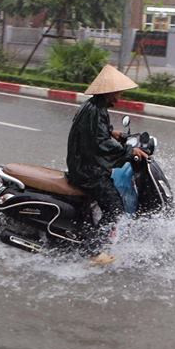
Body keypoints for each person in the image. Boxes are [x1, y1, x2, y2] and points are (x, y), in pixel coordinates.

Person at [66, 64, 150, 265]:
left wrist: (115, 134)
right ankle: (94, 252)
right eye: (118, 92)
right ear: (109, 92)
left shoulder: (95, 107)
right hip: (88, 171)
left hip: (85, 164)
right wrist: (130, 152)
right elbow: (101, 143)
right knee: (114, 208)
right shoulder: (95, 111)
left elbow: (100, 133)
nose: (119, 96)